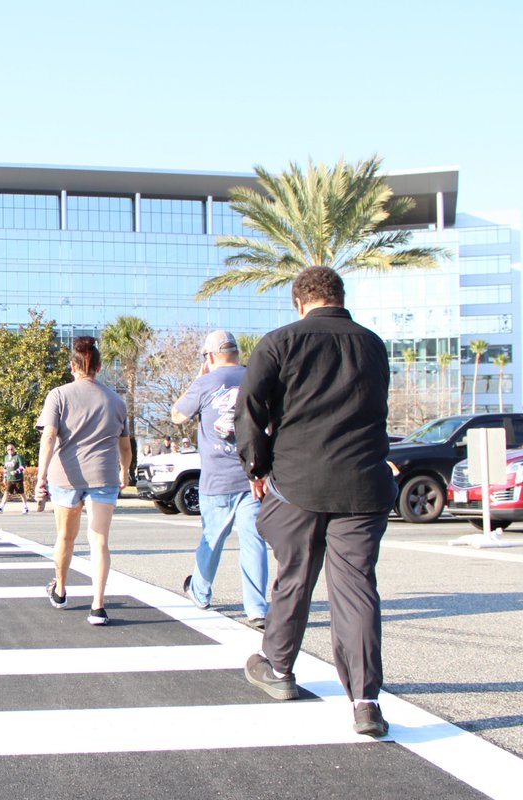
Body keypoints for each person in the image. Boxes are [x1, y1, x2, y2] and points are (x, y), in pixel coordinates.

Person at [235, 266, 398, 739]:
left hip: (298, 482)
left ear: (299, 302)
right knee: (357, 589)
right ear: (339, 297)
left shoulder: (280, 342)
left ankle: (278, 667)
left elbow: (249, 411)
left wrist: (257, 468)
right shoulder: (372, 345)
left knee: (295, 576)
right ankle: (366, 702)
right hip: (363, 485)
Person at [172, 329, 269, 629]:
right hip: (252, 477)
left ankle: (200, 592)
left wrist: (198, 378)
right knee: (254, 542)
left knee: (212, 539)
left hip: (217, 478)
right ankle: (257, 608)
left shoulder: (206, 382)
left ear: (210, 356)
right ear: (236, 353)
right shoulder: (256, 378)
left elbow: (177, 415)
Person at [36, 336, 130, 626]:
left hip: (66, 475)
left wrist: (40, 476)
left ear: (72, 366)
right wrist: (125, 470)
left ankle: (61, 590)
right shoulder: (116, 401)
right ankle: (98, 607)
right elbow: (125, 446)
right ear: (99, 367)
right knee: (99, 540)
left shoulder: (58, 395)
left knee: (65, 536)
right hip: (103, 474)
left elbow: (49, 437)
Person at [0, 442, 30, 514]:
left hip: (18, 479)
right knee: (6, 492)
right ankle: (1, 507)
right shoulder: (6, 457)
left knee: (21, 493)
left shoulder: (18, 457)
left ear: (14, 449)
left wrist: (16, 471)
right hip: (10, 479)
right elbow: (5, 468)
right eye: (8, 449)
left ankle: (26, 507)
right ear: (6, 450)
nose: (10, 450)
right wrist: (5, 477)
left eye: (12, 449)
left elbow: (23, 467)